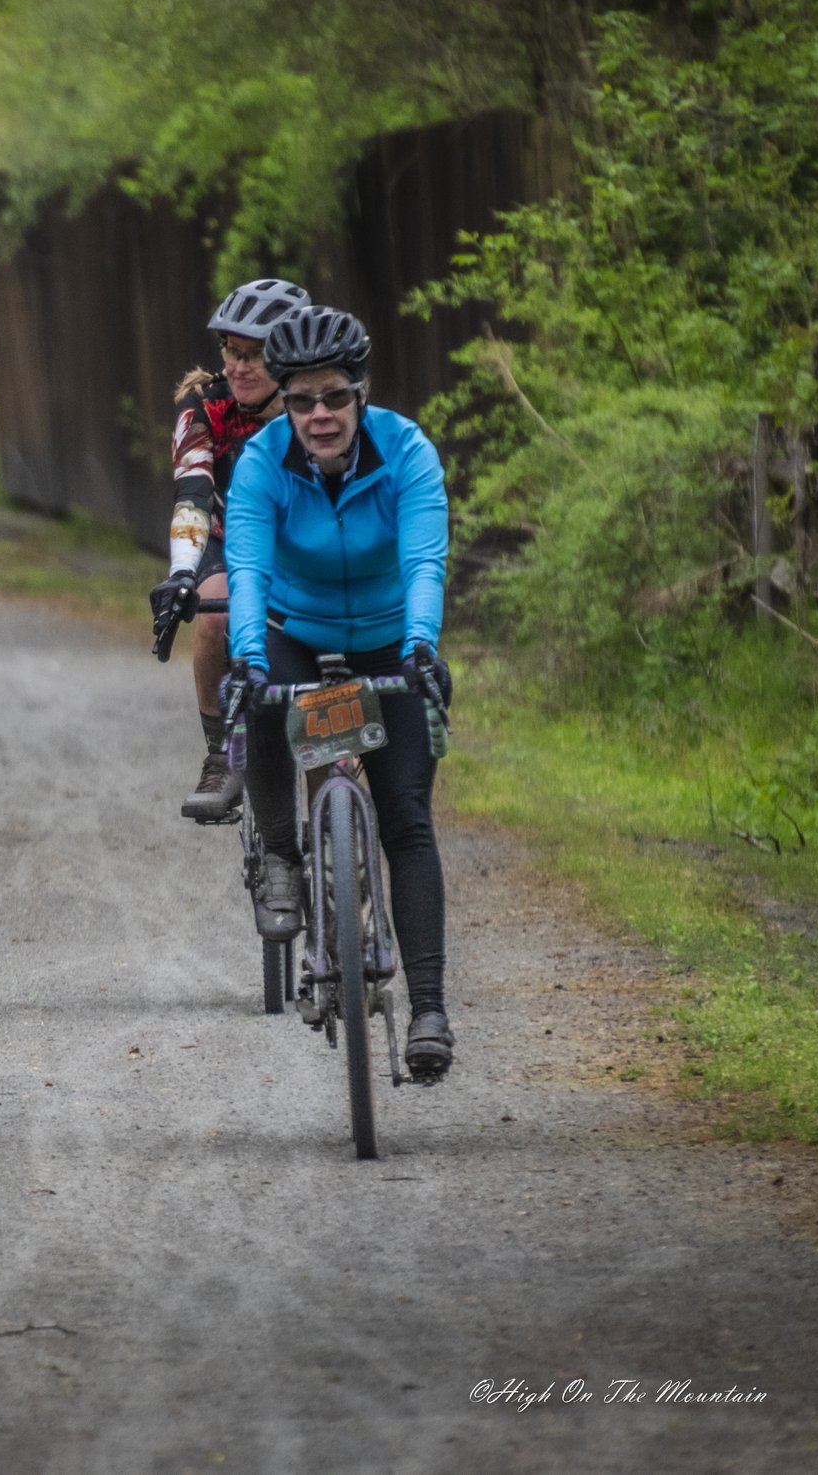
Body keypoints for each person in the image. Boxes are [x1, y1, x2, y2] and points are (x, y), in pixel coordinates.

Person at [222, 304, 457, 1079]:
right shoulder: (262, 464)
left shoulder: (408, 452)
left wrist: (422, 646)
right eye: (299, 401)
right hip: (298, 629)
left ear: (361, 394)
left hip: (392, 634)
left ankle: (428, 1007)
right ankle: (285, 855)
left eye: (334, 397)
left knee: (406, 819)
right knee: (255, 703)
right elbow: (249, 571)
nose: (318, 416)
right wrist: (252, 659)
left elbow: (425, 559)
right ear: (282, 403)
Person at [150, 277, 307, 822]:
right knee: (215, 613)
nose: (238, 366)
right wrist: (182, 573)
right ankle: (221, 754)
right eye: (231, 353)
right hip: (225, 539)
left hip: (304, 546)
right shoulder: (205, 405)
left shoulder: (315, 403)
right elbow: (193, 491)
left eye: (255, 356)